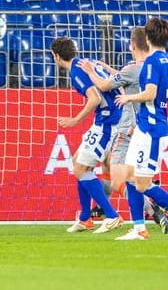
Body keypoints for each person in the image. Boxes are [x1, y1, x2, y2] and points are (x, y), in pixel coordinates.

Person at [77, 27, 168, 234]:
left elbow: (103, 86)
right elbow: (130, 80)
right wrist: (111, 70)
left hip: (128, 127)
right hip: (148, 126)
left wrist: (90, 70)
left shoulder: (131, 69)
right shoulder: (153, 66)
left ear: (133, 45)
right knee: (118, 169)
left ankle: (155, 209)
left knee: (122, 179)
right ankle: (143, 215)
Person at [113, 18, 168, 241]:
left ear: (147, 38)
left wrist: (128, 97)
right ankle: (139, 229)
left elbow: (149, 93)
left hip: (150, 130)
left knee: (142, 183)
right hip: (145, 126)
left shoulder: (151, 62)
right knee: (129, 177)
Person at [51, 37, 124, 234]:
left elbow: (95, 98)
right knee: (77, 163)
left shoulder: (76, 72)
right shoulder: (85, 62)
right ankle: (85, 218)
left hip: (107, 123)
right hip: (107, 119)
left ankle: (112, 215)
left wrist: (74, 120)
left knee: (81, 169)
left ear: (57, 57)